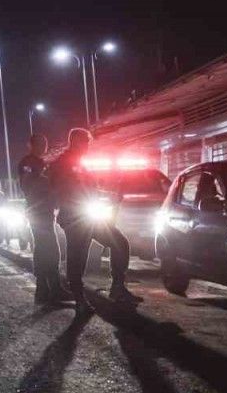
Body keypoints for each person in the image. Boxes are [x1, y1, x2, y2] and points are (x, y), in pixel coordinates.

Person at [49, 128, 141, 314]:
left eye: (88, 143)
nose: (87, 147)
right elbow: (58, 190)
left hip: (89, 216)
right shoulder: (62, 164)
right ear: (75, 142)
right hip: (74, 218)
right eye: (85, 143)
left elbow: (88, 189)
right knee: (78, 257)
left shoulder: (81, 164)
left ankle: (117, 287)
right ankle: (79, 298)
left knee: (120, 243)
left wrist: (108, 195)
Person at [16, 134, 72, 304]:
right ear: (31, 145)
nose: (44, 147)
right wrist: (49, 183)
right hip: (37, 210)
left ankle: (46, 289)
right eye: (41, 144)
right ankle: (49, 289)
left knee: (46, 249)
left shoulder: (41, 163)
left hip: (44, 210)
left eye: (45, 144)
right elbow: (29, 184)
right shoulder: (28, 163)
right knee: (48, 249)